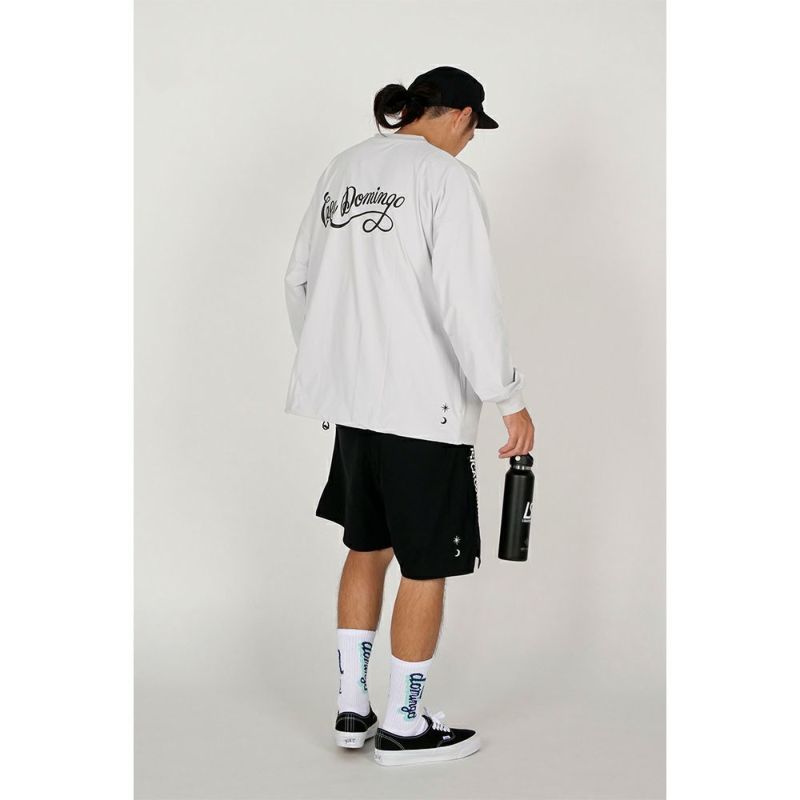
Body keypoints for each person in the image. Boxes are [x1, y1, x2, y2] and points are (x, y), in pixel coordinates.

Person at [283, 65, 535, 766]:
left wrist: (334, 361)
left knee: (367, 547)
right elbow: (468, 301)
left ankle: (352, 708)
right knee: (426, 564)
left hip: (354, 405)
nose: (469, 142)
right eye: (473, 129)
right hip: (425, 410)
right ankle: (405, 722)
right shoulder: (446, 179)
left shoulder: (344, 167)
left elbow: (298, 279)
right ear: (460, 115)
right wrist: (509, 398)